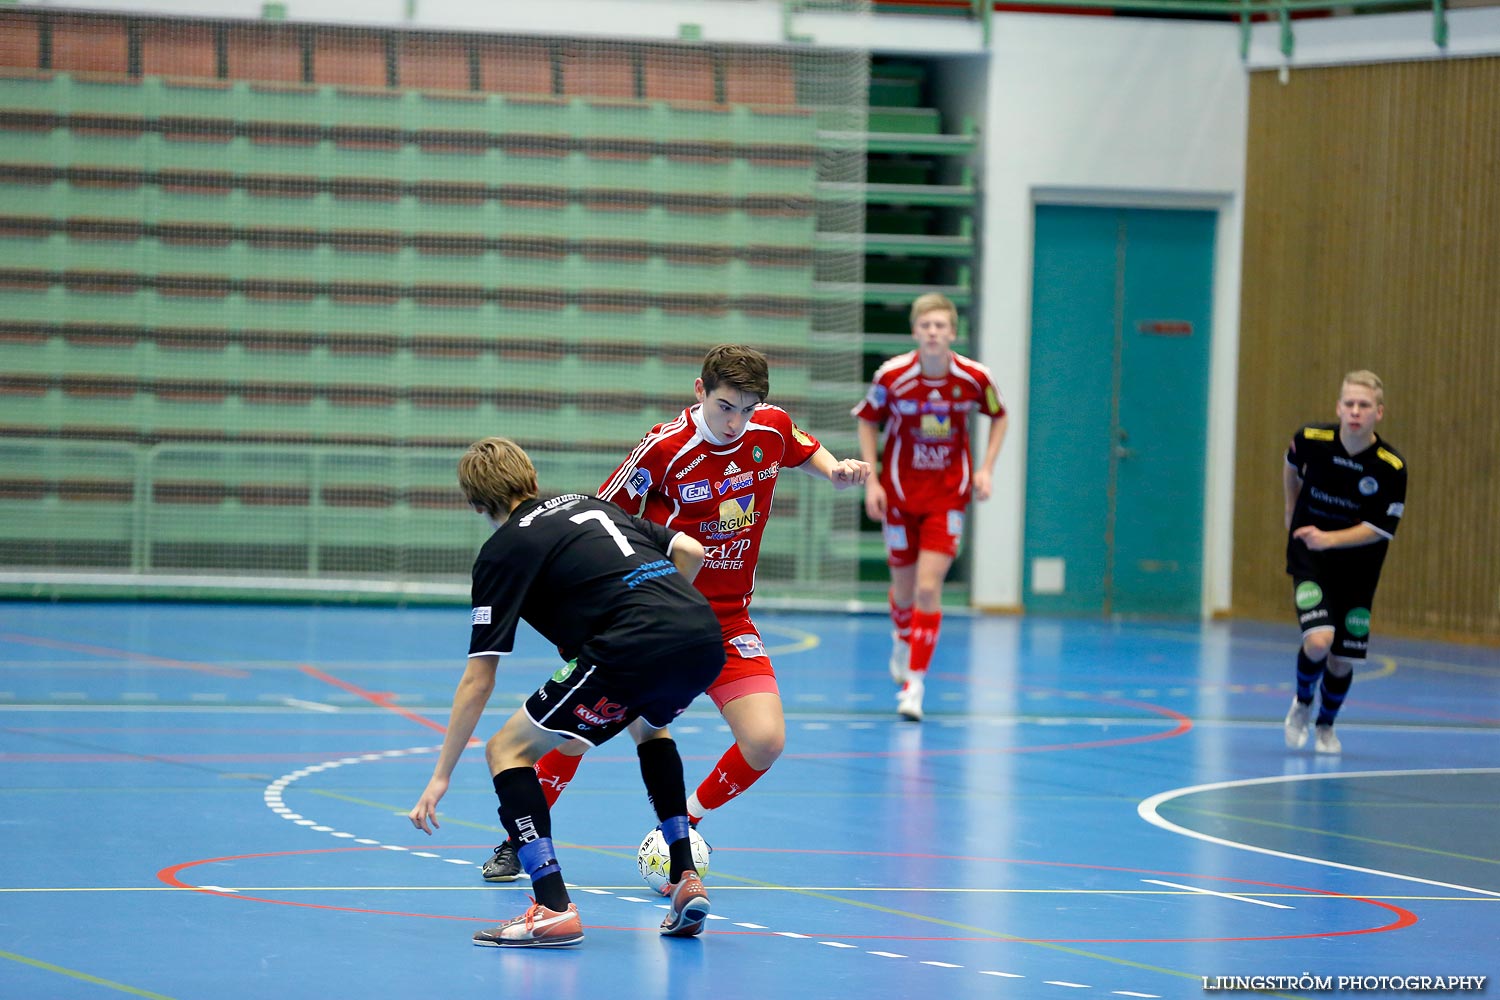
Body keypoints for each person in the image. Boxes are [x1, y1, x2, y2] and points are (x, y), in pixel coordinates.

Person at [479, 345, 869, 882]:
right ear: (699, 391)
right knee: (576, 736)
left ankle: (685, 821)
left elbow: (803, 448)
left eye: (749, 409)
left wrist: (835, 472)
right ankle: (515, 843)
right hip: (657, 621)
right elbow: (601, 516)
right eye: (726, 406)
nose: (737, 422)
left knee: (765, 740)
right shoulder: (664, 449)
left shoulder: (769, 429)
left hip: (728, 623)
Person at [409, 436, 726, 946]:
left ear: (476, 505)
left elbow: (479, 678)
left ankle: (552, 906)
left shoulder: (502, 549)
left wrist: (440, 775)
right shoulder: (590, 502)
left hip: (629, 644)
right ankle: (685, 874)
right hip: (702, 637)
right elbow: (689, 550)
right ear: (531, 478)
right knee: (651, 726)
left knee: (505, 750)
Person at [852, 292, 1007, 721]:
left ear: (953, 332)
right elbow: (867, 418)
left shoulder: (974, 378)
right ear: (916, 331)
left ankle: (914, 685)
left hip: (947, 497)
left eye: (941, 326)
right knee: (902, 590)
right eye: (926, 326)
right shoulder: (893, 376)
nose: (933, 333)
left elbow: (999, 415)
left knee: (926, 588)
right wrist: (874, 480)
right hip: (901, 496)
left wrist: (987, 469)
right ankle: (903, 638)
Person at [1282, 370, 1407, 754]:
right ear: (1338, 407)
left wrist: (1330, 538)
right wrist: (1291, 511)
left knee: (1341, 659)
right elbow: (1290, 465)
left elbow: (1380, 528)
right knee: (1319, 641)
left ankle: (1326, 725)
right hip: (1311, 558)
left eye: (1364, 405)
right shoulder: (1311, 440)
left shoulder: (1391, 467)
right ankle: (1303, 702)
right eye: (1349, 404)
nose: (1355, 411)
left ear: (1378, 413)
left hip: (1358, 569)